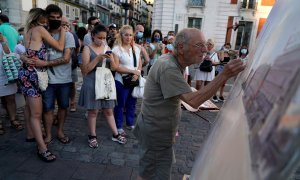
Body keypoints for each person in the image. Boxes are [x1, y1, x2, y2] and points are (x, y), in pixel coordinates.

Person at [133, 28, 245, 180]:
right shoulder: (168, 67)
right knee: (150, 175)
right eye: (199, 45)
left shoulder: (174, 63)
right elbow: (193, 101)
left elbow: (179, 94)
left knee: (153, 171)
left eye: (204, 44)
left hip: (158, 131)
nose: (205, 49)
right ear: (181, 48)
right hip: (155, 133)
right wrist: (224, 75)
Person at [18, 7, 65, 162]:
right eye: (46, 18)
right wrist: (64, 30)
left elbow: (26, 53)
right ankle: (42, 148)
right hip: (33, 75)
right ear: (40, 18)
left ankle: (30, 135)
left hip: (26, 73)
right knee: (37, 114)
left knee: (29, 108)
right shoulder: (39, 29)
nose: (48, 21)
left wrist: (23, 57)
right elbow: (59, 46)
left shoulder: (28, 31)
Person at [78, 24, 127, 148]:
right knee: (93, 111)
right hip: (92, 81)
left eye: (104, 37)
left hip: (105, 80)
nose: (102, 40)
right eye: (99, 37)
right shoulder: (87, 49)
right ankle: (92, 136)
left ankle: (115, 134)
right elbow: (85, 70)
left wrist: (111, 59)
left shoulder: (107, 47)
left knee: (109, 110)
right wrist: (98, 58)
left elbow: (115, 67)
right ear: (93, 36)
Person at [42, 5, 75, 146]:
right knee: (48, 108)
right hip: (46, 80)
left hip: (64, 79)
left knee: (63, 107)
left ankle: (60, 131)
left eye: (58, 17)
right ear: (47, 18)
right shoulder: (42, 34)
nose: (56, 20)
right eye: (52, 17)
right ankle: (48, 134)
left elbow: (66, 58)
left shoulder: (68, 36)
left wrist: (45, 63)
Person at [112, 25, 142, 136]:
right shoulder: (116, 49)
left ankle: (130, 123)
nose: (128, 37)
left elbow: (139, 63)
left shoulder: (136, 48)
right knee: (120, 104)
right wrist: (132, 72)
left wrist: (137, 73)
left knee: (132, 103)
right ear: (121, 35)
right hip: (121, 81)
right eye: (126, 35)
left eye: (130, 35)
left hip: (134, 80)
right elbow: (115, 67)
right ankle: (118, 126)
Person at [0, 31, 23, 135]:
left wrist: (3, 42)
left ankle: (13, 119)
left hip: (6, 73)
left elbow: (8, 53)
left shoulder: (2, 38)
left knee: (10, 98)